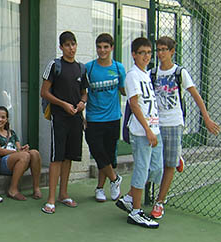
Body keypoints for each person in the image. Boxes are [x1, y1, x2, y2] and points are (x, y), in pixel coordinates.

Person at [149, 36, 221, 219]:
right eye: (158, 50)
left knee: (169, 165)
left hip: (174, 123)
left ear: (172, 51)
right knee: (154, 163)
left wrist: (206, 118)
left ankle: (159, 202)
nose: (161, 53)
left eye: (164, 49)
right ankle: (176, 156)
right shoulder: (152, 73)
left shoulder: (180, 72)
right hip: (156, 124)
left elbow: (196, 96)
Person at [40, 31, 89, 214]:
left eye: (73, 44)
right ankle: (51, 199)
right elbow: (44, 92)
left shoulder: (81, 68)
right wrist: (63, 104)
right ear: (61, 47)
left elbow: (84, 92)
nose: (71, 48)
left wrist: (82, 103)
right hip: (59, 118)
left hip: (76, 118)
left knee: (69, 157)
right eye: (67, 45)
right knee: (57, 157)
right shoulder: (54, 65)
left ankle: (63, 194)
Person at [115, 37, 162, 228]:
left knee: (156, 167)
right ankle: (135, 211)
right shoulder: (132, 75)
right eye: (142, 53)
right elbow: (134, 104)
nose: (146, 56)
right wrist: (147, 130)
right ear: (134, 54)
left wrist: (154, 129)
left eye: (149, 53)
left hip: (154, 129)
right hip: (142, 131)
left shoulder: (146, 75)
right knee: (142, 169)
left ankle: (129, 198)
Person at [84, 33, 125, 202]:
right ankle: (115, 179)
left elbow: (124, 91)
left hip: (113, 118)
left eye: (106, 47)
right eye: (99, 47)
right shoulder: (89, 68)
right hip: (93, 118)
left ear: (112, 48)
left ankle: (100, 188)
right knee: (97, 151)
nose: (102, 50)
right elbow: (81, 93)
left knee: (107, 156)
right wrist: (82, 116)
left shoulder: (118, 68)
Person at [0, 106, 42, 201]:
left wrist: (23, 148)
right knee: (24, 155)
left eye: (3, 117)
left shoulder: (12, 133)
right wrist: (19, 151)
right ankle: (13, 189)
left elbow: (18, 148)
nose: (0, 119)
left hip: (18, 160)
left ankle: (36, 188)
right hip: (3, 162)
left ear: (7, 119)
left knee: (34, 153)